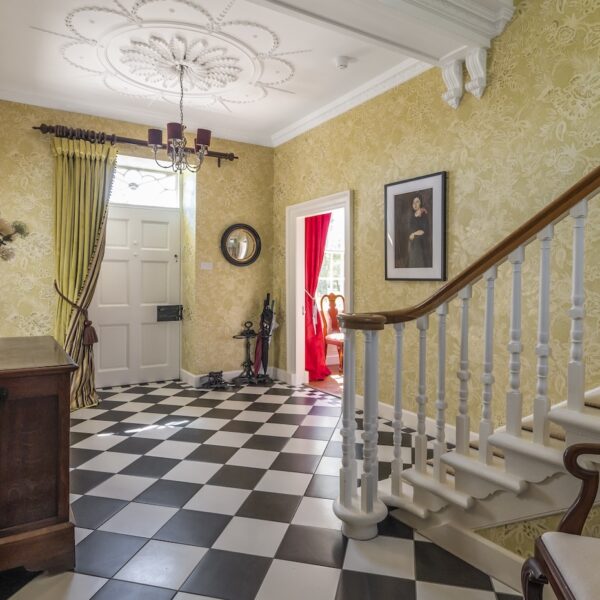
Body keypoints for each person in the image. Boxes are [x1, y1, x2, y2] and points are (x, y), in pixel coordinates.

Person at [408, 195, 430, 268]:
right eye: (413, 202)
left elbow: (423, 231)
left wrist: (414, 233)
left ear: (420, 203)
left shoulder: (423, 214)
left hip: (421, 243)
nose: (415, 204)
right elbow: (410, 230)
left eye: (417, 202)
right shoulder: (412, 216)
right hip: (412, 243)